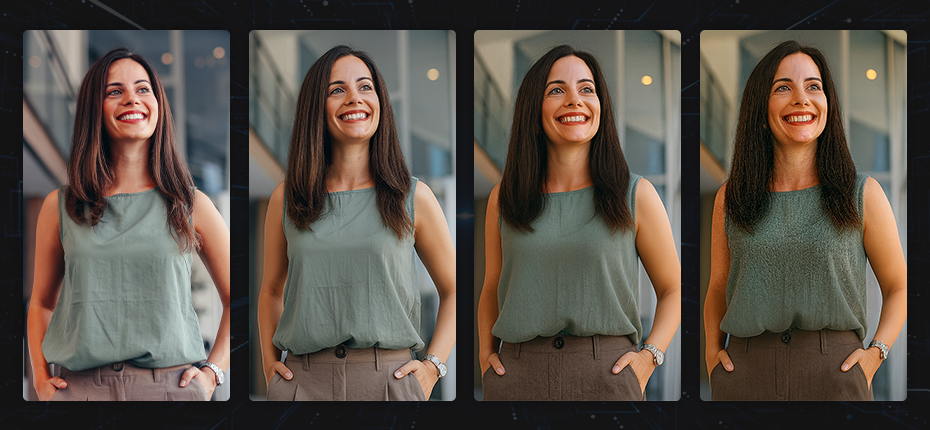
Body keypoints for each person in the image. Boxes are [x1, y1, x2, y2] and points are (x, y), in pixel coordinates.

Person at [703, 40, 907, 401]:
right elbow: (718, 287)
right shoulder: (730, 198)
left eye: (814, 86)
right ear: (760, 108)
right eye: (784, 87)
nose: (801, 98)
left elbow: (900, 287)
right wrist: (711, 355)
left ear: (828, 104)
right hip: (744, 375)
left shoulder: (862, 194)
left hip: (836, 374)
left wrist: (875, 356)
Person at [477, 45, 681, 401]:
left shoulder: (636, 194)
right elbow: (491, 289)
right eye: (557, 90)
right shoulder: (503, 198)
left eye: (587, 89)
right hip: (517, 378)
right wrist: (484, 357)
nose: (575, 100)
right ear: (533, 108)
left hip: (608, 376)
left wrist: (651, 357)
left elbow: (674, 290)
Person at [27, 47, 231, 401]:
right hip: (79, 391)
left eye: (143, 89)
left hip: (171, 390)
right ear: (95, 109)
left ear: (157, 104)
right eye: (114, 91)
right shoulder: (60, 206)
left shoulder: (190, 204)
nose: (131, 100)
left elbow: (237, 298)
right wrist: (41, 380)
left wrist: (212, 374)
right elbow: (42, 303)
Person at [257, 45, 456, 401]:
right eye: (337, 90)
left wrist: (433, 367)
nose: (354, 98)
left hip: (389, 382)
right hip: (302, 383)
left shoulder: (414, 197)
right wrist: (269, 366)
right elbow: (271, 290)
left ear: (380, 101)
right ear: (316, 107)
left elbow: (455, 289)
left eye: (365, 87)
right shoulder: (286, 198)